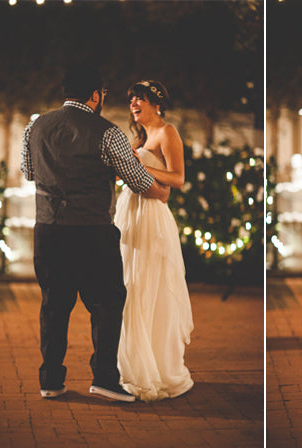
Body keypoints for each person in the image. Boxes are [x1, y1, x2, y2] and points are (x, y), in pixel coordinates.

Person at [21, 66, 170, 403]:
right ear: (95, 95)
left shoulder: (35, 126)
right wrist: (160, 192)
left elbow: (28, 172)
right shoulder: (107, 132)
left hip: (48, 230)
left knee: (54, 305)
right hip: (91, 231)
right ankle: (104, 377)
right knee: (106, 303)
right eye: (102, 93)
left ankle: (51, 381)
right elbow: (135, 178)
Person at [114, 80, 194, 401]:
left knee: (151, 287)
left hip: (152, 217)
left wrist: (140, 166)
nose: (134, 103)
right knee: (129, 288)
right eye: (131, 98)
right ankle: (134, 366)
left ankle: (160, 369)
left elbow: (178, 178)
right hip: (129, 215)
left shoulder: (167, 132)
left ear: (156, 103)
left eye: (140, 98)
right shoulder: (141, 138)